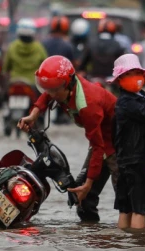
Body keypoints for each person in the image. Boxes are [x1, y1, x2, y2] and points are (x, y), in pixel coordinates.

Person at [18, 55, 119, 222]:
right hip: (101, 141)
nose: (50, 94)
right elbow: (47, 94)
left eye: (53, 90)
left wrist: (88, 184)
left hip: (119, 143)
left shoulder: (88, 105)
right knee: (81, 198)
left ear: (67, 84)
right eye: (47, 89)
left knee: (125, 201)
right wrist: (33, 115)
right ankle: (92, 239)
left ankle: (131, 240)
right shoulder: (63, 87)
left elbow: (98, 146)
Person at [110, 54, 145, 229]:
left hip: (127, 159)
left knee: (126, 208)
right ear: (120, 79)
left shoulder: (139, 97)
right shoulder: (127, 102)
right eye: (130, 73)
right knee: (139, 209)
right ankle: (138, 246)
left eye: (138, 73)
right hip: (134, 160)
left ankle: (125, 248)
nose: (136, 77)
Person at [2, 18, 47, 85]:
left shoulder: (12, 47)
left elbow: (6, 68)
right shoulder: (38, 47)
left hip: (15, 82)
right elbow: (45, 66)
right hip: (33, 84)